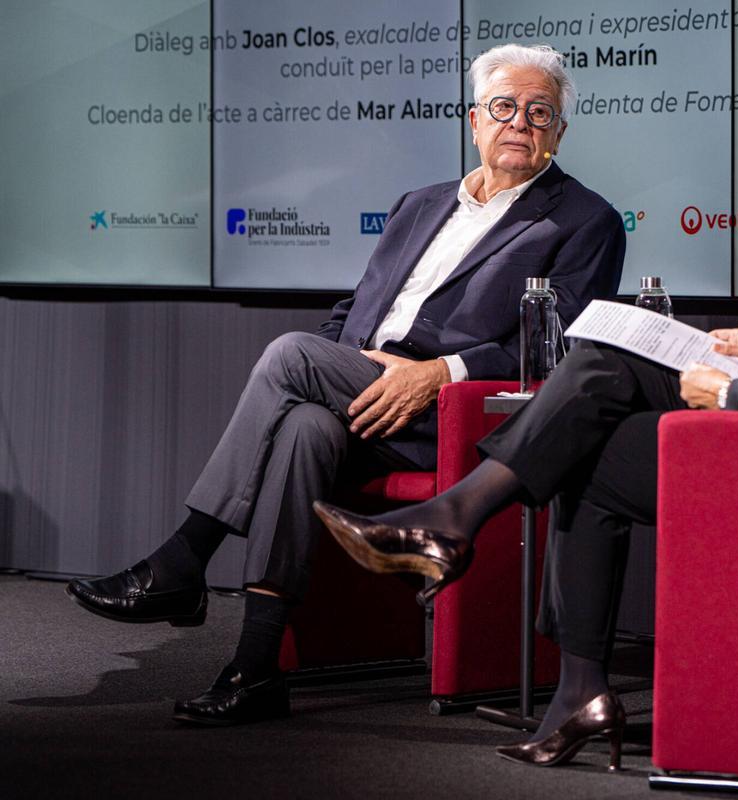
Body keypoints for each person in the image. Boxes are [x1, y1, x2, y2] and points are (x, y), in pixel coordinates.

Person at [315, 7, 738, 770]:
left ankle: (484, 556)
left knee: (584, 448)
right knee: (601, 358)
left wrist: (733, 394)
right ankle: (480, 552)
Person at [65, 43, 625, 726]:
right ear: (474, 119)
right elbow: (355, 312)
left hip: (449, 417)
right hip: (360, 392)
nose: (521, 123)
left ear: (559, 133)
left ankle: (185, 558)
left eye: (541, 113)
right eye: (505, 107)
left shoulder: (584, 220)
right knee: (302, 425)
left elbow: (559, 343)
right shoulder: (418, 205)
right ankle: (255, 668)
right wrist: (340, 369)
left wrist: (438, 373)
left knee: (291, 355)